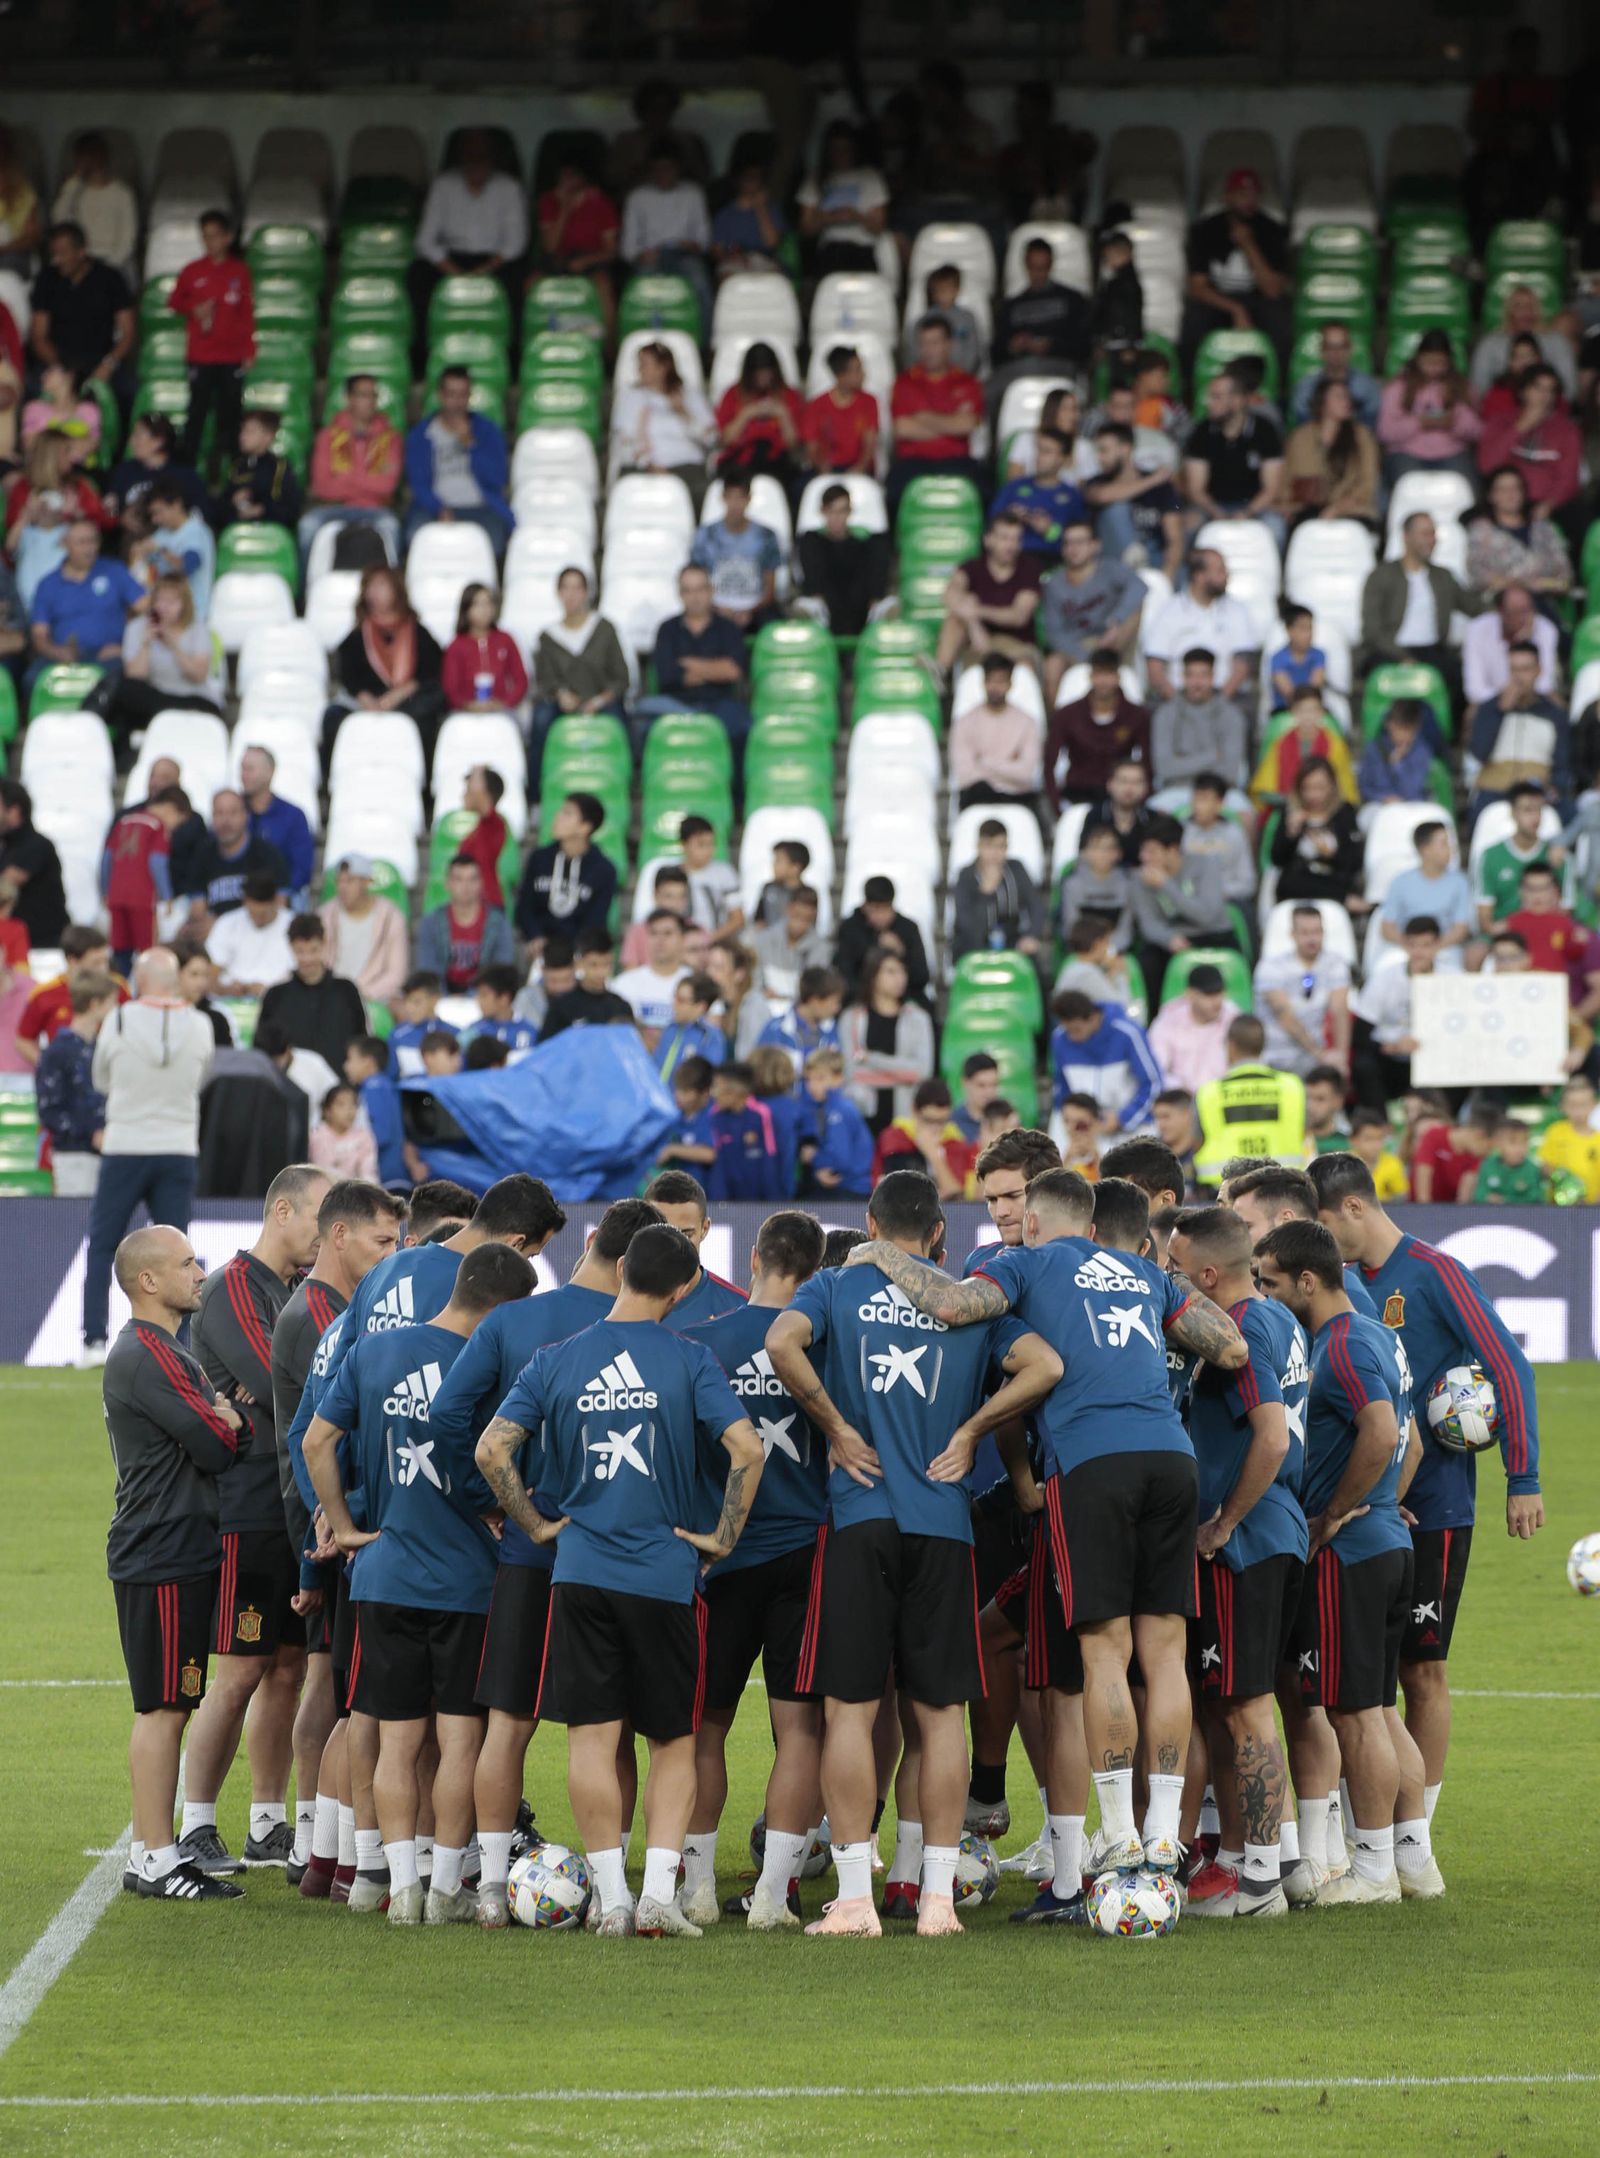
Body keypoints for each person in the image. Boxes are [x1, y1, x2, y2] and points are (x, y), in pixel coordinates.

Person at [850, 1171, 1244, 1895]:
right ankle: (1164, 1835)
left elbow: (950, 1302)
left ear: (1032, 1224)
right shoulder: (1144, 1272)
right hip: (1171, 1458)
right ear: (1092, 1227)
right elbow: (1229, 1348)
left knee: (1103, 1650)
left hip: (1093, 1464)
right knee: (1165, 1650)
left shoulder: (1025, 1262)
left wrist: (881, 1256)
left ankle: (1120, 1838)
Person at [766, 1170, 1060, 1937]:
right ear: (938, 1234)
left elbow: (778, 1342)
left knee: (851, 1714)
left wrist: (835, 1428)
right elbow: (1046, 1367)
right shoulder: (969, 1302)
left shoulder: (833, 1290)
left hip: (862, 1516)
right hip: (944, 1524)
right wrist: (969, 1433)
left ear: (869, 1223)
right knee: (939, 1717)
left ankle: (857, 1899)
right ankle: (934, 1902)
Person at [469, 1223, 760, 1936]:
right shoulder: (690, 1359)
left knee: (592, 1740)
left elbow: (491, 1447)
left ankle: (612, 1901)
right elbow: (748, 1449)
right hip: (664, 1576)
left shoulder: (554, 1358)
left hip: (580, 1573)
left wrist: (536, 1524)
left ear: (622, 1266)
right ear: (686, 1287)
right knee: (673, 1741)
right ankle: (659, 1894)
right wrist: (721, 1537)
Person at [1309, 1150, 1541, 1850]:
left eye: (1322, 1221)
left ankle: (1414, 1836)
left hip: (1436, 1504)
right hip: (1367, 1508)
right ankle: (1365, 1828)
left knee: (1422, 1667)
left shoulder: (1435, 1272)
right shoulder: (1342, 1284)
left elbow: (1508, 1364)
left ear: (1353, 1208)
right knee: (1360, 1676)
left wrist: (1521, 1477)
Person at [304, 1240, 536, 1925]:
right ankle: (444, 1887)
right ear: (503, 1309)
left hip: (384, 1574)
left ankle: (399, 1886)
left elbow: (317, 1441)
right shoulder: (492, 1367)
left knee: (396, 1740)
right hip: (467, 1582)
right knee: (460, 1741)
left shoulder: (375, 1351)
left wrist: (343, 1525)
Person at [1252, 1220, 1423, 1906]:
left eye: (1269, 1281)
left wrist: (1331, 1514)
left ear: (1307, 1281)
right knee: (1380, 1709)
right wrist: (1383, 1501)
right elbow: (1408, 1447)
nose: (1262, 1293)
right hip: (1388, 1541)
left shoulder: (1342, 1344)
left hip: (1351, 1552)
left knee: (1354, 1713)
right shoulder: (1381, 1335)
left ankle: (1374, 1871)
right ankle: (1415, 1862)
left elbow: (1382, 1432)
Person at [173, 1164, 330, 1877]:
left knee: (288, 1667)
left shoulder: (292, 1290)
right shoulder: (235, 1286)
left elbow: (277, 1391)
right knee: (238, 1670)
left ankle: (267, 1821)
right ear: (281, 1208)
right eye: (320, 1217)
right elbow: (280, 1381)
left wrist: (271, 1393)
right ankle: (195, 1823)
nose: (326, 1234)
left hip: (292, 1500)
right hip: (248, 1507)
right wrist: (265, 1391)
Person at [1165, 1206, 1308, 1917]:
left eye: (1177, 1267)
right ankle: (1253, 1861)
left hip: (1246, 1543)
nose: (1169, 1276)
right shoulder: (1279, 1320)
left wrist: (1225, 1522)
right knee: (1228, 1702)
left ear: (1209, 1275)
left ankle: (1260, 1881)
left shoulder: (1246, 1328)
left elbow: (1273, 1438)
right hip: (1274, 1534)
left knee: (1247, 1706)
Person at [103, 1226, 249, 1901]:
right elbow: (218, 1443)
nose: (202, 1271)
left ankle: (150, 1849)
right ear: (149, 1282)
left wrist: (221, 1418)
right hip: (162, 1550)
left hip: (175, 1545)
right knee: (165, 1707)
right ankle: (157, 1858)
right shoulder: (148, 1355)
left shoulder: (167, 1350)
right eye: (188, 1263)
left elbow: (213, 1431)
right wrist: (230, 1421)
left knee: (173, 1702)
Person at [79, 948, 215, 1365]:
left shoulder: (118, 1019)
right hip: (177, 1147)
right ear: (173, 980)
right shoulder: (201, 1024)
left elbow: (101, 1078)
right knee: (179, 1253)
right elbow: (202, 1077)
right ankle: (182, 1343)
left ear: (139, 980)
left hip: (126, 1145)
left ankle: (94, 1340)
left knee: (104, 1244)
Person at [408, 127, 528, 354]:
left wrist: (483, 271)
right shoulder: (443, 185)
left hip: (495, 261)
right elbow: (424, 240)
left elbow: (516, 243)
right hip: (451, 259)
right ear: (461, 158)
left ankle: (512, 356)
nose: (475, 163)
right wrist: (454, 272)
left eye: (481, 157)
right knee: (417, 275)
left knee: (519, 279)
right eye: (470, 157)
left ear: (492, 159)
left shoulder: (509, 188)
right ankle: (422, 355)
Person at [324, 566, 447, 769]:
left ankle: (423, 787)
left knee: (426, 721)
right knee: (333, 718)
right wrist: (366, 699)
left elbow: (431, 670)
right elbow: (348, 675)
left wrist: (400, 693)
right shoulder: (357, 636)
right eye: (369, 586)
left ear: (396, 590)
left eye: (380, 585)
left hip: (408, 702)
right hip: (367, 703)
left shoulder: (418, 632)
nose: (373, 592)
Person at [168, 210, 253, 476]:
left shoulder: (239, 271)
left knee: (231, 415)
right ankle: (187, 470)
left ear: (227, 237)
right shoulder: (192, 271)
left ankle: (234, 470)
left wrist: (249, 349)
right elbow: (174, 302)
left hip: (230, 357)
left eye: (215, 236)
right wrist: (195, 308)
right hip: (201, 356)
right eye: (205, 237)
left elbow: (247, 312)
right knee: (197, 414)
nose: (210, 242)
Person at [1182, 166, 1292, 367]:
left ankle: (1280, 387)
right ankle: (1191, 386)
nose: (1248, 201)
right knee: (1195, 319)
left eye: (1253, 195)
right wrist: (1236, 309)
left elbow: (1273, 290)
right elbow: (1198, 288)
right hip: (1218, 299)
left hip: (1258, 299)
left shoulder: (1272, 230)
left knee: (1280, 318)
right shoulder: (1205, 230)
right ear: (1228, 196)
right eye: (1242, 194)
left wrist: (1248, 245)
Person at [1357, 511, 1475, 689]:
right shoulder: (1381, 575)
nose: (1431, 540)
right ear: (1406, 537)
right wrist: (1403, 657)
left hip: (1433, 651)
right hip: (1390, 651)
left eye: (1433, 534)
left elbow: (1474, 606)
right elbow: (1372, 630)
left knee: (1458, 676)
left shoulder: (1443, 577)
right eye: (1425, 534)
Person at [402, 366, 511, 556]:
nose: (457, 402)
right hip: (432, 508)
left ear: (469, 396)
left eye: (462, 395)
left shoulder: (487, 431)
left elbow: (497, 479)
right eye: (451, 394)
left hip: (480, 508)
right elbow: (418, 484)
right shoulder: (421, 434)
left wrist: (472, 445)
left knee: (494, 543)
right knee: (414, 537)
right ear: (440, 396)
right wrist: (439, 509)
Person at [300, 374, 403, 564]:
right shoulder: (328, 436)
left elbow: (388, 485)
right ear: (349, 399)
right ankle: (306, 591)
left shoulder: (390, 438)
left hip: (375, 509)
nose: (370, 401)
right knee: (308, 526)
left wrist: (346, 478)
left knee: (391, 526)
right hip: (334, 507)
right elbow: (322, 487)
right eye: (363, 395)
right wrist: (368, 482)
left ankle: (392, 588)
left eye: (373, 396)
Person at [887, 316, 985, 514]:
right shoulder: (904, 382)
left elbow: (967, 425)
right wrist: (950, 424)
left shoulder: (967, 382)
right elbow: (903, 429)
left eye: (934, 343)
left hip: (956, 461)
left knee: (984, 491)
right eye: (923, 344)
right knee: (892, 494)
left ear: (948, 345)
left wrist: (922, 417)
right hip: (913, 462)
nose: (928, 350)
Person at [1193, 1016, 1309, 1183]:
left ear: (1231, 1045)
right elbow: (1305, 1133)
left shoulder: (1208, 1092)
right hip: (1283, 1186)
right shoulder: (1292, 1086)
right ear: (1262, 1045)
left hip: (1223, 1190)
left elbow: (1196, 1142)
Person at [648, 564, 751, 750]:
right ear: (680, 594)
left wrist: (688, 664)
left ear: (711, 590)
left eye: (700, 589)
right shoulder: (667, 630)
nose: (695, 597)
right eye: (688, 591)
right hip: (675, 705)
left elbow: (733, 671)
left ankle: (735, 780)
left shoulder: (729, 629)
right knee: (644, 716)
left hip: (720, 704)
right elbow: (668, 675)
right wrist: (714, 669)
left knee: (742, 724)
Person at [1037, 522, 1143, 702]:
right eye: (1068, 543)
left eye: (1079, 542)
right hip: (1075, 646)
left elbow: (1139, 587)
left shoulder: (1109, 569)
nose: (1073, 549)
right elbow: (1054, 634)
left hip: (1112, 641)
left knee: (1134, 611)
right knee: (1052, 665)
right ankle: (1055, 724)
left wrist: (1116, 620)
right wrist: (1086, 655)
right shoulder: (1054, 582)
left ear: (1095, 545)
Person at [1182, 369, 1286, 549]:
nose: (1208, 403)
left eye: (1216, 397)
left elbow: (1272, 488)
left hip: (1254, 506)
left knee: (1275, 528)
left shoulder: (1264, 430)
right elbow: (1196, 489)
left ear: (1237, 400)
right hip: (1211, 506)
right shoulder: (1201, 432)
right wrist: (1218, 513)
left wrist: (1247, 513)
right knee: (1187, 527)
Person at [1143, 548, 1259, 707]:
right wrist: (1180, 706)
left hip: (1224, 698)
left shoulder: (1237, 611)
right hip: (1177, 698)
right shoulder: (1169, 611)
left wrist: (1217, 705)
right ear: (1199, 576)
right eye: (1220, 570)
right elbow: (1155, 669)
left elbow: (1242, 666)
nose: (1226, 576)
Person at [839, 948, 936, 1137]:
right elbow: (850, 1072)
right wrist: (901, 1076)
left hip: (904, 1118)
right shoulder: (852, 1017)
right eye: (891, 971)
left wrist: (871, 1058)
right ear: (873, 975)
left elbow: (922, 1071)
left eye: (902, 971)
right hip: (862, 1116)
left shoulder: (918, 1018)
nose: (899, 978)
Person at [936, 510, 1043, 680]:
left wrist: (976, 611)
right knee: (955, 618)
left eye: (1016, 539)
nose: (1011, 545)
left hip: (1016, 644)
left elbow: (1019, 616)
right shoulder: (972, 566)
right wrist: (973, 624)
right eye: (1004, 538)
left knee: (1024, 667)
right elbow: (950, 594)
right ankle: (940, 672)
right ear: (988, 540)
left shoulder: (1029, 568)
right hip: (975, 642)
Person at [29, 218, 135, 389]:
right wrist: (59, 368)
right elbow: (39, 336)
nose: (57, 260)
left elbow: (128, 333)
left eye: (62, 253)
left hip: (102, 360)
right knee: (33, 387)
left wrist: (108, 365)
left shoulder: (110, 278)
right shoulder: (46, 279)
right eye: (54, 254)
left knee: (129, 389)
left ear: (81, 251)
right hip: (59, 361)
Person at [36, 966, 115, 1195]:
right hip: (73, 1156)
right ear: (95, 1003)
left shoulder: (101, 1048)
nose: (115, 1009)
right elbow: (49, 1110)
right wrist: (91, 1134)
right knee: (76, 1221)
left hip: (107, 1154)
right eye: (111, 1002)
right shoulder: (58, 1051)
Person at [611, 340, 715, 512]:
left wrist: (683, 412)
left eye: (644, 364)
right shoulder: (629, 396)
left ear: (663, 367)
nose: (639, 370)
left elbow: (711, 439)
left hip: (686, 467)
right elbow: (624, 442)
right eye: (639, 364)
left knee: (702, 491)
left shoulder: (690, 395)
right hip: (643, 467)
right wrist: (649, 464)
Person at [256, 915, 367, 1075]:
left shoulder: (347, 991)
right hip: (289, 1089)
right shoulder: (275, 996)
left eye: (313, 950)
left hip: (339, 1090)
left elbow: (361, 1042)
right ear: (290, 947)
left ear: (324, 945)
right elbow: (262, 1048)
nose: (307, 958)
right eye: (300, 951)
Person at [1467, 641, 1570, 813]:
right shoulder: (1489, 709)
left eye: (1525, 669)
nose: (1519, 677)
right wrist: (1500, 712)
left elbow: (1562, 763)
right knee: (1482, 811)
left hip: (1537, 791)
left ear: (1539, 671)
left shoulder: (1554, 714)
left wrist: (1554, 788)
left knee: (1567, 811)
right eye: (1513, 669)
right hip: (1495, 790)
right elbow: (1479, 753)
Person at [620, 138, 713, 326]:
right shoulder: (638, 197)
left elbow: (704, 240)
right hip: (650, 256)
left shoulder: (693, 194)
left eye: (668, 168)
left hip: (685, 255)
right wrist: (640, 255)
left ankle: (704, 346)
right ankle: (638, 338)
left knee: (700, 283)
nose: (663, 174)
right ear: (650, 170)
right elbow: (627, 247)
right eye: (658, 169)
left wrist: (693, 246)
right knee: (640, 288)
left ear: (679, 168)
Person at [1042, 650, 1148, 812]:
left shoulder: (1136, 715)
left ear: (1118, 677)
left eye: (1109, 673)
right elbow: (1049, 762)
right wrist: (1056, 805)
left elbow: (1148, 761)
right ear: (1090, 676)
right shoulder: (1067, 715)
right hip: (1077, 795)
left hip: (1122, 798)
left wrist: (1141, 799)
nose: (1103, 681)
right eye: (1098, 674)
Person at [1256, 904, 1353, 1078]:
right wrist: (1319, 1054)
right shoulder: (1271, 967)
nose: (1312, 939)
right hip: (1276, 1056)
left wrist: (1341, 1057)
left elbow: (1339, 1011)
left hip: (1316, 1059)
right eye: (1305, 933)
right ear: (1292, 935)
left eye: (1317, 932)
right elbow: (1285, 1016)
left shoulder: (1335, 964)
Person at [1048, 989, 1163, 1134]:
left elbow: (1153, 1083)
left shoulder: (1128, 1033)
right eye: (1067, 1030)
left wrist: (1122, 1118)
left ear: (1093, 1018)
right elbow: (1062, 1089)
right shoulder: (1060, 1037)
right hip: (1084, 1128)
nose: (1071, 1037)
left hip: (1132, 1126)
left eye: (1076, 1030)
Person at [101, 786, 189, 973]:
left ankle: (120, 990)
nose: (175, 827)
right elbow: (157, 862)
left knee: (120, 949)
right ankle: (145, 993)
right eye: (178, 821)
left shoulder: (123, 821)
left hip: (116, 897)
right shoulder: (157, 826)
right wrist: (167, 896)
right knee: (147, 950)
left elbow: (107, 857)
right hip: (142, 897)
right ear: (171, 808)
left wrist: (105, 890)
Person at [1376, 330, 1481, 484]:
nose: (1434, 368)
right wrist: (1419, 423)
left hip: (1452, 453)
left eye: (1440, 363)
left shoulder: (1462, 388)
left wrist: (1454, 423)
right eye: (1428, 362)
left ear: (1449, 362)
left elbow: (1477, 431)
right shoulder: (1397, 388)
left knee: (1466, 484)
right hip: (1407, 453)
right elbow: (1385, 432)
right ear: (1417, 359)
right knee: (1407, 482)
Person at [949, 659, 1045, 819]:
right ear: (984, 683)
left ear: (1010, 684)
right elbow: (964, 774)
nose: (995, 687)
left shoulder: (1027, 723)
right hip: (976, 797)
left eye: (1001, 681)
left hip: (1019, 798)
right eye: (991, 681)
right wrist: (1009, 765)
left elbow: (1026, 773)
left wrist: (984, 762)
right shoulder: (964, 723)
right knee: (977, 793)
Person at [1465, 463, 1573, 604]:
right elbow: (1477, 576)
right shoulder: (1481, 531)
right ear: (1491, 495)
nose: (1510, 494)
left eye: (1515, 488)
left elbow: (1565, 579)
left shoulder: (1543, 529)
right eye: (1503, 489)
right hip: (1500, 610)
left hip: (1544, 605)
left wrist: (1541, 584)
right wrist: (1520, 585)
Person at [1282, 377, 1380, 529]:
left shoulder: (1362, 436)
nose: (1347, 401)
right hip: (1308, 507)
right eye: (1339, 396)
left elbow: (1367, 483)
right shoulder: (1301, 437)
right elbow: (1289, 477)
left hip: (1353, 507)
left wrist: (1337, 508)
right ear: (1322, 402)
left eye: (1348, 397)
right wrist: (1286, 504)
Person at [794, 480, 889, 636]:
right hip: (827, 603)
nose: (837, 517)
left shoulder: (866, 541)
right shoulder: (812, 540)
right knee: (809, 541)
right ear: (822, 511)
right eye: (832, 511)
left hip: (859, 603)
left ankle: (876, 609)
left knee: (878, 543)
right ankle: (817, 610)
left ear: (850, 512)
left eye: (842, 511)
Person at [1269, 759, 1365, 911]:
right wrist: (1291, 833)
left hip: (1333, 877)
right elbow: (1277, 860)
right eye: (1307, 788)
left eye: (1320, 788)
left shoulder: (1344, 812)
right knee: (1290, 881)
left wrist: (1331, 855)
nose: (1314, 795)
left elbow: (1354, 862)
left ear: (1332, 786)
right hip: (1298, 883)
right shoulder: (1290, 811)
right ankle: (1344, 899)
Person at [535, 156, 619, 328]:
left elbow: (611, 251)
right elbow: (550, 247)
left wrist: (586, 261)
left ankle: (610, 349)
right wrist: (564, 209)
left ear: (583, 178)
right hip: (558, 258)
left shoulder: (600, 203)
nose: (567, 181)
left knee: (604, 286)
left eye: (572, 176)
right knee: (532, 284)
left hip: (592, 259)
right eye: (563, 176)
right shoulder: (548, 201)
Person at [1150, 648, 1248, 795]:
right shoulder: (1165, 714)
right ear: (1183, 677)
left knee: (1245, 815)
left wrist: (1182, 760)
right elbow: (1164, 769)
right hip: (1175, 791)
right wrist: (1214, 756)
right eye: (1191, 675)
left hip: (1221, 793)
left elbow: (1230, 772)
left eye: (1203, 675)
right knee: (1156, 813)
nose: (1197, 682)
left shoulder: (1231, 715)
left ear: (1213, 677)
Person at [797, 119, 889, 274]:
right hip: (831, 248)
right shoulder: (815, 178)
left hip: (865, 247)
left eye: (845, 149)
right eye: (835, 149)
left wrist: (857, 217)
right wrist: (829, 218)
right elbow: (805, 229)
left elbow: (879, 228)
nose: (840, 155)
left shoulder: (870, 177)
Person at [690, 472, 781, 628]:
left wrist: (750, 611)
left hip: (756, 610)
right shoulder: (705, 535)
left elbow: (770, 589)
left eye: (740, 497)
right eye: (730, 497)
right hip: (715, 609)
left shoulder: (766, 536)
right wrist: (717, 609)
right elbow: (697, 580)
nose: (735, 504)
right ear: (723, 498)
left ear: (749, 499)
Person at [318, 853, 409, 1009]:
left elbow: (396, 974)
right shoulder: (324, 915)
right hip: (329, 994)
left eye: (350, 881)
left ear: (367, 882)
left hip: (377, 998)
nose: (342, 887)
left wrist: (362, 994)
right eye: (339, 881)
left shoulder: (391, 917)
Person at [415, 854, 516, 993]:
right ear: (448, 883)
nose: (466, 886)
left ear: (481, 883)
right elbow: (429, 971)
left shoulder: (498, 923)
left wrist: (471, 999)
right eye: (459, 879)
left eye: (472, 879)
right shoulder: (431, 923)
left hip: (485, 998)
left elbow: (501, 971)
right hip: (440, 997)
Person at [950, 817, 1046, 963]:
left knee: (1036, 964)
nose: (994, 853)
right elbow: (966, 924)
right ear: (978, 846)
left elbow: (1036, 906)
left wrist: (1031, 935)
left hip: (1011, 939)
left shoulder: (1016, 869)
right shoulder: (966, 876)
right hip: (973, 944)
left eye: (1000, 846)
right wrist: (986, 894)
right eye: (988, 846)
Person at [1469, 282, 1578, 406]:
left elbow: (1569, 389)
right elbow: (1478, 390)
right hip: (1501, 408)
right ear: (1508, 310)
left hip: (1549, 407)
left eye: (1530, 306)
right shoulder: (1489, 344)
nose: (1525, 311)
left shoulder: (1556, 341)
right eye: (1518, 306)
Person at [1379, 821, 1475, 962]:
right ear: (1426, 849)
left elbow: (1460, 928)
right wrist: (1413, 947)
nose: (1451, 849)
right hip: (1406, 948)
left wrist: (1433, 948)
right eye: (1444, 844)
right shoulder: (1400, 882)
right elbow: (1387, 927)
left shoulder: (1460, 882)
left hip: (1444, 949)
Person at [1251, 685, 1358, 809]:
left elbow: (1345, 786)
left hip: (1326, 808)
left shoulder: (1335, 744)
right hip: (1287, 806)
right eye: (1302, 710)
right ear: (1293, 712)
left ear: (1321, 713)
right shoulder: (1281, 744)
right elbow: (1265, 786)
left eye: (1313, 710)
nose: (1308, 716)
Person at [713, 343, 804, 489]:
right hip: (740, 460)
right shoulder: (733, 395)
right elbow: (725, 440)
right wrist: (746, 414)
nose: (763, 377)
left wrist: (783, 415)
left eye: (767, 371)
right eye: (758, 372)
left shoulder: (789, 396)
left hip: (778, 463)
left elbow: (794, 445)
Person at [51, 132, 138, 282]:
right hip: (79, 257)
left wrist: (107, 267)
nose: (89, 161)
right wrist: (75, 181)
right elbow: (59, 221)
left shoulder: (122, 193)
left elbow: (127, 240)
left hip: (112, 260)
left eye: (93, 155)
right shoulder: (74, 189)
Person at [833, 876, 931, 1006]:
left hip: (902, 1000)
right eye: (874, 909)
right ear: (865, 906)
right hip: (860, 999)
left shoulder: (908, 929)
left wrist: (901, 952)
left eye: (884, 909)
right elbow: (844, 973)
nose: (879, 916)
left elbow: (921, 977)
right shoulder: (850, 928)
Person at [1147, 963, 1238, 1094]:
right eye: (1209, 994)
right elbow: (1157, 1070)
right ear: (1190, 994)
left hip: (1223, 1097)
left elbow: (1245, 1065)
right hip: (1181, 1100)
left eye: (1219, 993)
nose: (1216, 1001)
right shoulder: (1168, 1021)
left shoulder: (1234, 1019)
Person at [442, 585, 528, 718]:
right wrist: (468, 705)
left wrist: (504, 703)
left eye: (488, 603)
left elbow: (521, 680)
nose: (485, 609)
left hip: (502, 709)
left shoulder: (506, 640)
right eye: (478, 604)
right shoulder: (456, 646)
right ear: (466, 609)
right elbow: (450, 688)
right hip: (464, 713)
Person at [538, 931, 635, 1039]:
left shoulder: (621, 1007)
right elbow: (546, 1049)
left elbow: (629, 1049)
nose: (600, 971)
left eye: (606, 964)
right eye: (593, 965)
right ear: (579, 963)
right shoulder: (561, 1008)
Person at [801, 347, 880, 477]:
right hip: (825, 470)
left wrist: (860, 467)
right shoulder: (817, 405)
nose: (863, 374)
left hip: (858, 470)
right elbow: (811, 446)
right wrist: (823, 468)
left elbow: (870, 443)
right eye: (858, 370)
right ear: (841, 375)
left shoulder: (869, 402)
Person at [220, 408, 302, 531]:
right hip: (237, 532)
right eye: (243, 430)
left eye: (250, 432)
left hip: (271, 532)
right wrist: (234, 502)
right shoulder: (238, 466)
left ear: (268, 436)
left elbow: (291, 508)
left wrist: (261, 510)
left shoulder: (280, 467)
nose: (243, 436)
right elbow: (220, 508)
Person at [1291, 321, 1381, 430]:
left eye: (1341, 347)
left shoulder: (1367, 387)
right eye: (1330, 347)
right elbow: (1304, 428)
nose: (1336, 353)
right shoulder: (1306, 388)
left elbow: (1370, 428)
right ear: (1322, 350)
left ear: (1349, 349)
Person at [1358, 698, 1435, 805]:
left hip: (1412, 806)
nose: (1403, 734)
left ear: (1416, 728)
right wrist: (1382, 798)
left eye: (1408, 729)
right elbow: (1364, 787)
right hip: (1379, 806)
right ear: (1388, 724)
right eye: (1399, 727)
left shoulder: (1421, 751)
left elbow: (1413, 791)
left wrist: (1397, 764)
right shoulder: (1373, 749)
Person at [1536, 1075, 1600, 1201]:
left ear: (1594, 1105)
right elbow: (1546, 1167)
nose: (1578, 1111)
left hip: (1592, 1208)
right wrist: (1565, 1182)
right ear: (1563, 1106)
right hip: (1559, 1206)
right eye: (1573, 1105)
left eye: (1583, 1105)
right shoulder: (1555, 1131)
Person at [1475, 1112, 1547, 1204]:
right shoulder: (1487, 1165)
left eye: (1524, 1141)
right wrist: (1487, 1198)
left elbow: (1535, 1197)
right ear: (1498, 1143)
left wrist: (1506, 1201)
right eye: (1513, 1142)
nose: (1520, 1148)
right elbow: (1479, 1194)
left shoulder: (1532, 1169)